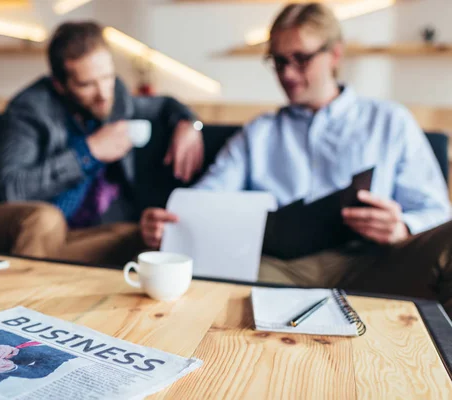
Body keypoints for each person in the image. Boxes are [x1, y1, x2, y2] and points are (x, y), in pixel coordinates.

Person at [140, 2, 452, 315]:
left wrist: (404, 227)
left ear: (335, 54)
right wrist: (172, 219)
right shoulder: (259, 133)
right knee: (216, 280)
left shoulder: (389, 121)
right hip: (280, 268)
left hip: (375, 261)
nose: (287, 73)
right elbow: (208, 195)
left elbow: (437, 210)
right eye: (278, 61)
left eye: (301, 59)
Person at [0, 21, 204, 265]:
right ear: (60, 85)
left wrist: (189, 123)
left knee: (150, 236)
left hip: (69, 238)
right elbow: (12, 189)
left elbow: (163, 104)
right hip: (1, 226)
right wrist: (90, 152)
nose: (104, 94)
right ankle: (21, 306)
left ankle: (48, 289)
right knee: (45, 220)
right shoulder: (30, 109)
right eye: (87, 84)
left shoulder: (116, 96)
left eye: (107, 77)